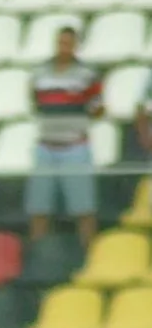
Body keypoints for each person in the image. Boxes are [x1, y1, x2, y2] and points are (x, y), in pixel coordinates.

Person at [27, 25, 104, 246]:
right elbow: (35, 101)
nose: (64, 47)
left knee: (84, 207)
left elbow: (98, 107)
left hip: (75, 145)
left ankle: (89, 254)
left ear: (76, 46)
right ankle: (37, 253)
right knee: (39, 206)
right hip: (46, 145)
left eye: (68, 43)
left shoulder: (87, 75)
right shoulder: (40, 73)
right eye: (61, 43)